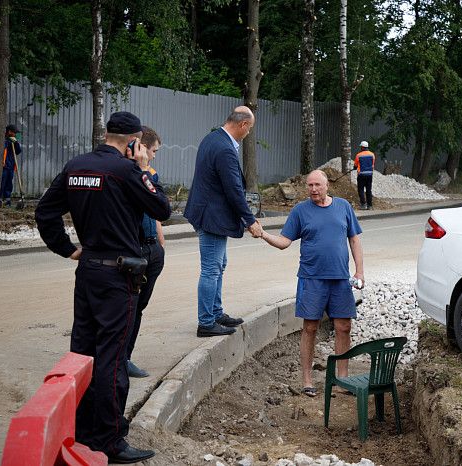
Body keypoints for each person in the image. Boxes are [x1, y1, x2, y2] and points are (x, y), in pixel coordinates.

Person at [35, 111, 170, 463]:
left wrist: (69, 250)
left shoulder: (77, 165)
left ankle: (78, 430)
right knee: (112, 358)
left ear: (107, 133)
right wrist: (143, 170)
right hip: (118, 277)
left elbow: (45, 213)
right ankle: (109, 441)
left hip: (88, 271)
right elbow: (162, 208)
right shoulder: (127, 171)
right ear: (134, 141)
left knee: (81, 353)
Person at [257, 169, 364, 397]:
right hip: (311, 278)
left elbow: (354, 240)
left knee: (343, 327)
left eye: (317, 185)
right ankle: (307, 380)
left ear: (327, 186)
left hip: (340, 279)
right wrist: (264, 234)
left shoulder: (343, 206)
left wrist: (360, 272)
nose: (313, 189)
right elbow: (284, 242)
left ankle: (342, 380)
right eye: (309, 185)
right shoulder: (300, 211)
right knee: (310, 327)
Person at [184, 106, 263, 337]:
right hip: (211, 218)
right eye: (250, 129)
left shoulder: (212, 138)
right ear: (243, 125)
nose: (249, 133)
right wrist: (250, 221)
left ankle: (216, 313)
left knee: (219, 265)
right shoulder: (225, 149)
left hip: (207, 214)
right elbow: (234, 191)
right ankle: (207, 323)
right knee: (211, 269)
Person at [127, 125, 165, 378]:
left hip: (152, 249)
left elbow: (158, 213)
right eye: (153, 151)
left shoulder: (151, 175)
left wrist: (161, 244)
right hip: (135, 249)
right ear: (139, 148)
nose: (153, 156)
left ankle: (125, 356)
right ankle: (122, 358)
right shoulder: (127, 175)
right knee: (128, 308)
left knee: (139, 307)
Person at [0, 124, 22, 206]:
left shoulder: (14, 141)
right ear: (9, 132)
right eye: (14, 133)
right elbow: (1, 148)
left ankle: (7, 202)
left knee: (9, 185)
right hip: (3, 167)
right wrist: (9, 141)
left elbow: (18, 151)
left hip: (11, 166)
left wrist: (15, 143)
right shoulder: (3, 140)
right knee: (2, 184)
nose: (16, 135)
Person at [354, 141, 375, 210]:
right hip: (369, 174)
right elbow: (372, 162)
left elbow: (356, 165)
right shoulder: (372, 155)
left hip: (362, 175)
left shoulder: (359, 155)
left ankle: (363, 204)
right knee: (369, 190)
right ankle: (370, 206)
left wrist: (354, 167)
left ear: (362, 147)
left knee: (361, 189)